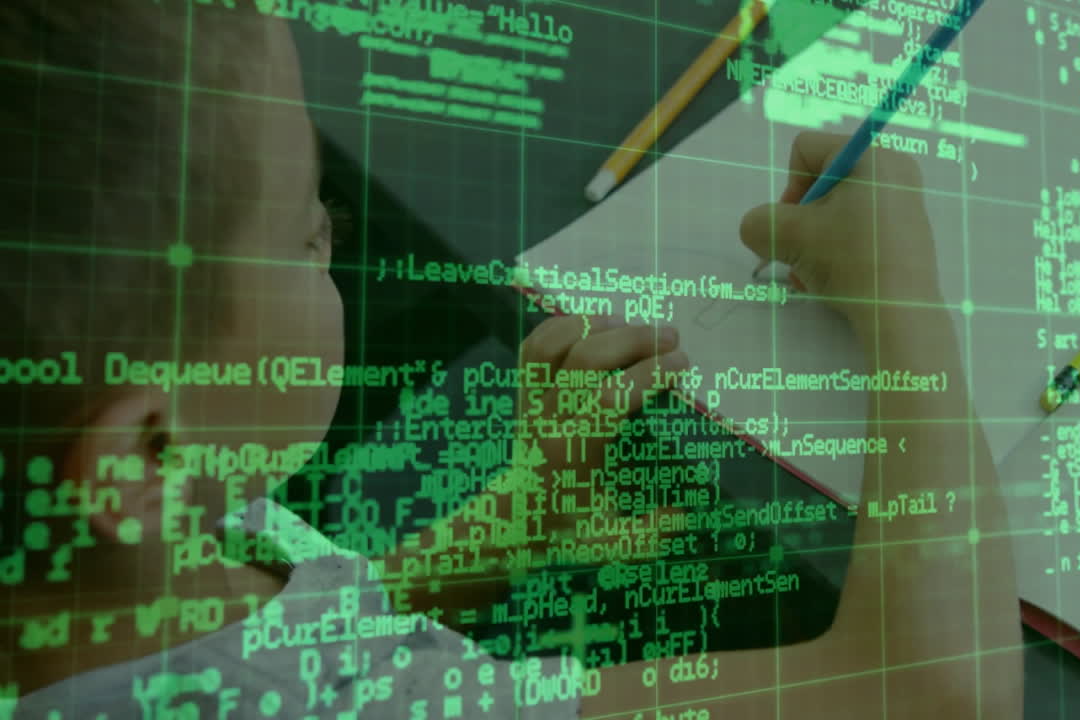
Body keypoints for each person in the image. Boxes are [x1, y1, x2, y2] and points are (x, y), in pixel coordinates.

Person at [0, 1, 1023, 717]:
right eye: (305, 232)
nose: (333, 229)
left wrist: (524, 511)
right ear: (142, 457)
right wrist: (901, 303)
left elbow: (304, 626)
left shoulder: (111, 557)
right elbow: (925, 695)